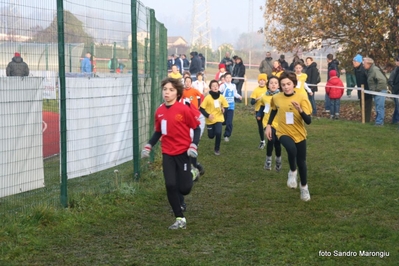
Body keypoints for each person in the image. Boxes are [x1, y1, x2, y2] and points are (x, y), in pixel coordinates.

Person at [141, 77, 200, 229]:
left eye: (171, 90)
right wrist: (149, 145)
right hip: (167, 152)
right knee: (170, 184)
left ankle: (192, 173)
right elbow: (158, 132)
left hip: (183, 153)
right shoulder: (159, 111)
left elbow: (196, 128)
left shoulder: (184, 110)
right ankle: (180, 218)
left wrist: (193, 145)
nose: (167, 92)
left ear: (178, 93)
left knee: (184, 189)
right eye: (165, 89)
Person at [265, 71, 312, 201]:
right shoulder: (277, 97)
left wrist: (300, 110)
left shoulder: (302, 96)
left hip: (299, 133)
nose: (286, 87)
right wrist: (269, 125)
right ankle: (292, 172)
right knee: (291, 150)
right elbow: (274, 110)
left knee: (302, 162)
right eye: (283, 84)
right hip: (283, 132)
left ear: (294, 84)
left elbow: (308, 121)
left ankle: (304, 188)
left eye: (288, 84)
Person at [257, 76, 281, 170]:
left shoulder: (281, 96)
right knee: (271, 140)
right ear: (268, 85)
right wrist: (259, 114)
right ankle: (268, 161)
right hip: (267, 123)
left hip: (279, 123)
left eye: (275, 83)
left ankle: (278, 160)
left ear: (279, 85)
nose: (273, 85)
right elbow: (262, 106)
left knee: (278, 143)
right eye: (271, 83)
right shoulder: (264, 96)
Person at [200, 80, 229, 156]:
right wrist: (208, 115)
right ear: (210, 88)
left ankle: (217, 149)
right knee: (211, 136)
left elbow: (226, 106)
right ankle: (210, 131)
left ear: (218, 87)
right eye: (213, 86)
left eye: (216, 85)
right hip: (210, 120)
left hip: (219, 118)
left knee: (219, 133)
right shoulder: (207, 98)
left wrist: (224, 109)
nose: (215, 87)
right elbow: (201, 109)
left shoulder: (221, 97)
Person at [363, 57, 387, 126]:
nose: (363, 65)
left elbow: (382, 80)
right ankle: (378, 121)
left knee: (380, 107)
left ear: (369, 64)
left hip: (380, 91)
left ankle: (379, 122)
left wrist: (377, 90)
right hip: (376, 92)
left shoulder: (374, 70)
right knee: (377, 107)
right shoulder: (369, 70)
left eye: (364, 63)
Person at [219, 73, 242, 142]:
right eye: (227, 77)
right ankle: (216, 128)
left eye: (230, 77)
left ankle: (226, 135)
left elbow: (234, 93)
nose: (228, 79)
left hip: (231, 106)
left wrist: (239, 96)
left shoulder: (233, 86)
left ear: (231, 78)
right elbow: (219, 94)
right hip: (224, 106)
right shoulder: (223, 86)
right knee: (223, 121)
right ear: (225, 79)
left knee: (229, 122)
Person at [250, 74, 268, 149]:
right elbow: (252, 102)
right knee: (260, 126)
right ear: (258, 81)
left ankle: (272, 140)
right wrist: (258, 99)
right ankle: (262, 141)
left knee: (267, 125)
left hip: (267, 110)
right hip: (258, 110)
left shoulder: (268, 89)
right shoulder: (256, 90)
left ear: (266, 81)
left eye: (263, 80)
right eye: (260, 80)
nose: (262, 82)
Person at [353, 54, 372, 123]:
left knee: (367, 106)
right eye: (353, 61)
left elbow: (369, 79)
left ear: (359, 62)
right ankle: (363, 119)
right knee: (362, 106)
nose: (353, 63)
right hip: (360, 90)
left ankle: (366, 120)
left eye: (355, 61)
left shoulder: (364, 70)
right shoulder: (356, 69)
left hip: (367, 90)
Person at [388, 56, 399, 124]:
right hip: (396, 91)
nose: (396, 62)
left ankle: (395, 120)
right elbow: (390, 80)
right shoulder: (395, 70)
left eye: (397, 61)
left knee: (397, 107)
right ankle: (395, 120)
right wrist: (393, 86)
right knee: (397, 107)